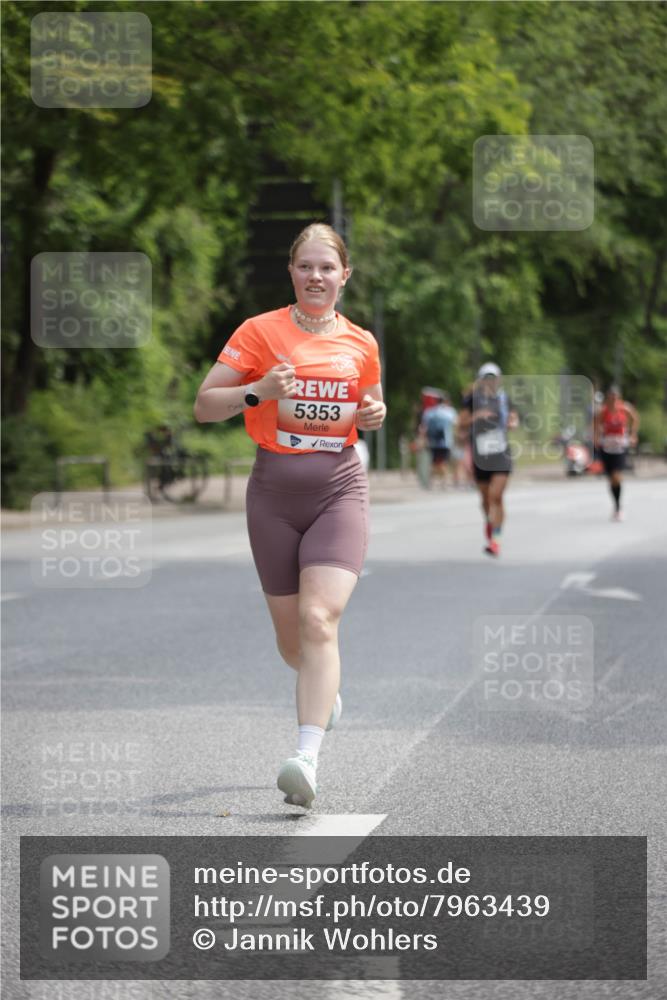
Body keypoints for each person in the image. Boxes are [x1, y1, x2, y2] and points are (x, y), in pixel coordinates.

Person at [194, 223, 386, 808]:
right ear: (292, 272)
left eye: (327, 267)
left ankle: (305, 756)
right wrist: (258, 391)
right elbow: (204, 406)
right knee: (292, 640)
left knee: (319, 619)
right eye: (305, 266)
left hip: (339, 487)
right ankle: (323, 688)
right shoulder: (259, 332)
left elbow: (369, 405)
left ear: (344, 275)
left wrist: (374, 415)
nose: (316, 277)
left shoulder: (362, 343)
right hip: (273, 493)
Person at [458, 363, 517, 556]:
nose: (490, 381)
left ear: (498, 379)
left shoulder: (504, 399)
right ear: (481, 379)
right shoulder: (471, 400)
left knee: (496, 496)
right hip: (480, 453)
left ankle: (496, 540)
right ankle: (490, 523)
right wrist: (477, 416)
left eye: (493, 378)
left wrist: (512, 422)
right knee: (485, 498)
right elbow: (461, 423)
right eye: (487, 378)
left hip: (501, 453)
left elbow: (514, 418)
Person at [594, 385, 639, 521]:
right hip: (606, 446)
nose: (613, 400)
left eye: (616, 397)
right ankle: (616, 505)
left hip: (620, 447)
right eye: (611, 397)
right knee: (611, 479)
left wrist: (632, 435)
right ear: (608, 398)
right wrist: (596, 438)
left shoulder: (625, 408)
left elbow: (635, 419)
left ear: (619, 398)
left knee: (616, 476)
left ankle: (618, 508)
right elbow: (596, 425)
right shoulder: (603, 411)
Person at [420, 391, 458, 489]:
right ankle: (444, 482)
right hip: (446, 442)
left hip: (433, 441)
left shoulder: (429, 412)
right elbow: (455, 425)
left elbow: (424, 428)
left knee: (433, 462)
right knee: (444, 462)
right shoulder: (450, 412)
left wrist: (423, 439)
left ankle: (430, 483)